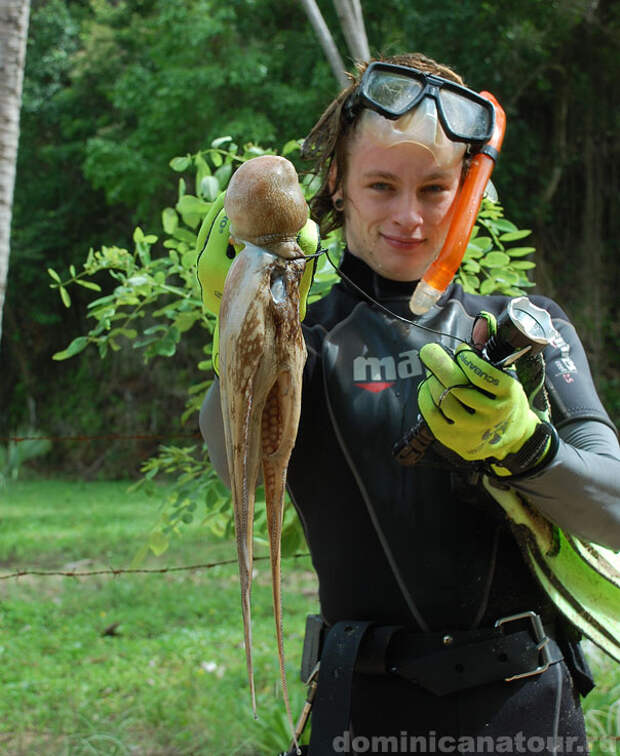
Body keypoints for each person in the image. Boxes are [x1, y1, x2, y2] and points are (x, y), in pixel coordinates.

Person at [199, 53, 620, 755]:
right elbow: (234, 470)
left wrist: (527, 447)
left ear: (470, 190)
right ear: (337, 182)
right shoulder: (306, 341)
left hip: (527, 712)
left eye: (435, 188)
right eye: (380, 185)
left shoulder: (523, 325)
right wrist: (236, 326)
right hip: (363, 707)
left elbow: (614, 510)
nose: (409, 216)